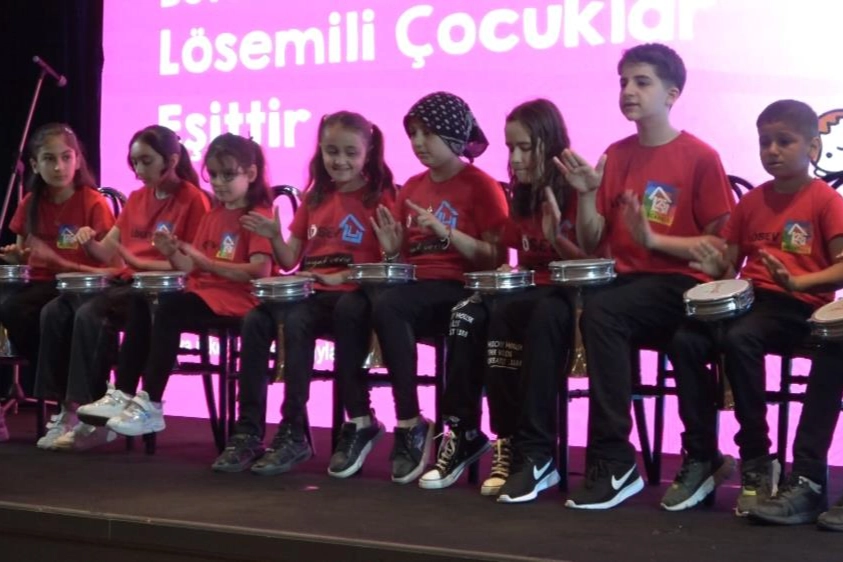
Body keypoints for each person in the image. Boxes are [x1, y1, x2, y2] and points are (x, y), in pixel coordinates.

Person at [556, 43, 735, 510]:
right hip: (629, 286)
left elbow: (721, 250)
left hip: (683, 284)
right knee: (582, 310)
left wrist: (656, 240)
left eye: (642, 82)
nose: (628, 91)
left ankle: (614, 458)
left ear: (672, 94)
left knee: (604, 312)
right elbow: (593, 241)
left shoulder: (700, 156)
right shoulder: (615, 155)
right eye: (623, 82)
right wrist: (588, 195)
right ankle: (696, 455)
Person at [210, 111, 396, 476]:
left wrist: (340, 276)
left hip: (354, 295)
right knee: (256, 319)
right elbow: (290, 259)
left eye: (350, 153)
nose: (339, 161)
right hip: (313, 292)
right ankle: (248, 431)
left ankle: (293, 429)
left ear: (368, 153)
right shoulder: (315, 196)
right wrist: (274, 236)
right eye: (331, 151)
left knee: (297, 319)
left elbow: (389, 262)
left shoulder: (379, 196)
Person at [684, 100, 843, 523]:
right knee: (685, 339)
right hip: (754, 302)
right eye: (764, 142)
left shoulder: (825, 201)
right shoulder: (752, 201)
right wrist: (712, 265)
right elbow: (728, 266)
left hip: (799, 306)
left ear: (812, 147)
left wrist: (798, 283)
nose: (772, 150)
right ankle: (708, 456)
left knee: (742, 336)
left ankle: (759, 455)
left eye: (783, 141)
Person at [418, 99, 584, 495]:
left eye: (525, 147)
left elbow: (593, 263)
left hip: (567, 297)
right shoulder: (522, 192)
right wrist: (506, 274)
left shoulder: (577, 188)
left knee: (520, 315)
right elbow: (517, 257)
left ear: (550, 143)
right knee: (466, 314)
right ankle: (467, 432)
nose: (516, 158)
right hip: (526, 292)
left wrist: (558, 238)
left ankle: (528, 448)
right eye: (511, 148)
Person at [353, 91, 509, 484]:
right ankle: (402, 421)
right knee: (364, 305)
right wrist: (392, 252)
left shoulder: (481, 186)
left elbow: (496, 257)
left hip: (462, 288)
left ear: (453, 135)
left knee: (394, 306)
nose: (418, 142)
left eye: (427, 133)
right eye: (413, 134)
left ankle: (437, 426)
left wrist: (448, 233)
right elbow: (403, 259)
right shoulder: (411, 188)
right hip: (416, 290)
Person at [79, 133, 274, 439]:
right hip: (205, 291)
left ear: (250, 174)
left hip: (237, 298)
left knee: (169, 307)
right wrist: (171, 251)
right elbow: (190, 267)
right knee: (145, 298)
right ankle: (123, 393)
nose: (219, 183)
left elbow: (260, 270)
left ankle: (151, 403)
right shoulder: (214, 214)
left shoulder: (257, 216)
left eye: (228, 175)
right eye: (214, 176)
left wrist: (208, 265)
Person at [37, 124, 208, 450]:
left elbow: (191, 266)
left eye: (146, 161)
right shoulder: (137, 198)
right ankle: (75, 408)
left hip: (162, 291)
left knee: (90, 314)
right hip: (129, 283)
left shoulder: (193, 200)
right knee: (58, 309)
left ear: (171, 161)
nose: (139, 170)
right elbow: (107, 251)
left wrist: (137, 261)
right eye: (135, 163)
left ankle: (94, 413)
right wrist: (89, 242)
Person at [0, 123, 115, 441]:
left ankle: (71, 402)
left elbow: (111, 269)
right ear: (35, 164)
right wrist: (17, 257)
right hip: (41, 283)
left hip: (81, 285)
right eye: (49, 159)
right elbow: (26, 257)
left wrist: (56, 261)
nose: (58, 167)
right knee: (12, 309)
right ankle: (63, 394)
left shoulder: (92, 202)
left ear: (78, 160)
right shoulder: (30, 202)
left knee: (54, 313)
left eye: (66, 157)